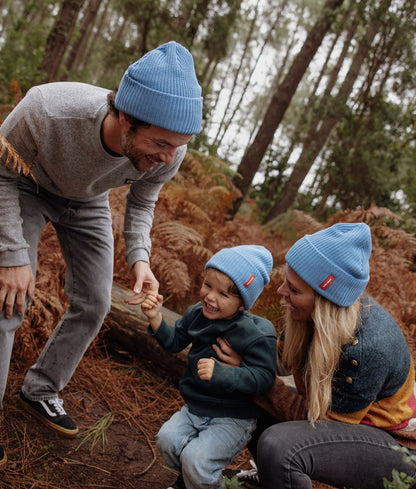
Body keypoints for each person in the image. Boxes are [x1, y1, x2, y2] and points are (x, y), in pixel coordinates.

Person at [0, 40, 203, 469]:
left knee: (94, 301)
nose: (170, 157)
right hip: (24, 185)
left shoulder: (169, 152)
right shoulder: (47, 110)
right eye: (162, 143)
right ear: (126, 116)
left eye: (179, 146)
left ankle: (40, 389)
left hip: (87, 203)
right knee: (8, 301)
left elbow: (143, 203)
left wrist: (141, 260)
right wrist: (11, 254)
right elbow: (0, 172)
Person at [220, 223, 416, 489]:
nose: (281, 292)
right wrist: (237, 339)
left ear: (325, 301)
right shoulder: (308, 314)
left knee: (278, 445)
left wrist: (257, 379)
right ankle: (271, 480)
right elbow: (280, 362)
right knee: (246, 392)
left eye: (294, 289)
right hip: (346, 424)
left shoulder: (368, 348)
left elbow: (325, 427)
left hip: (397, 447)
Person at [141, 245, 278, 489]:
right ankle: (190, 480)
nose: (210, 297)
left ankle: (198, 479)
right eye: (208, 285)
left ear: (242, 304)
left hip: (233, 417)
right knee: (167, 440)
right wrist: (155, 318)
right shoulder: (197, 314)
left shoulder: (257, 334)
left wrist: (223, 372)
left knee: (197, 460)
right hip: (195, 408)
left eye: (223, 294)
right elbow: (175, 342)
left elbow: (264, 377)